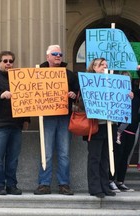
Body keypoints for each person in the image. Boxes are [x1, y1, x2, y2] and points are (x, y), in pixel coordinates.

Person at [34, 45, 79, 196]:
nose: (58, 56)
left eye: (60, 54)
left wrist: (74, 95)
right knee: (46, 152)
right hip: (47, 116)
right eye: (54, 54)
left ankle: (64, 184)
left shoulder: (69, 74)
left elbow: (78, 93)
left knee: (64, 152)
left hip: (64, 116)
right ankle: (44, 184)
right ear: (48, 57)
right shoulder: (38, 73)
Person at [0, 51, 30, 195]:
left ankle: (11, 185)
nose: (8, 63)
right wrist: (1, 95)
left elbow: (28, 98)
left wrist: (26, 119)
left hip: (16, 125)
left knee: (13, 158)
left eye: (10, 61)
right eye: (5, 61)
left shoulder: (19, 78)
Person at [83, 57, 120, 198]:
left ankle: (105, 186)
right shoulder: (88, 83)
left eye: (106, 65)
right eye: (101, 65)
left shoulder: (113, 83)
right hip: (95, 126)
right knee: (95, 157)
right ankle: (95, 187)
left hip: (110, 125)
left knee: (105, 157)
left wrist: (127, 95)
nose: (104, 67)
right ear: (94, 67)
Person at [108, 71, 139, 192]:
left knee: (125, 156)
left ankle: (120, 181)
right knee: (117, 155)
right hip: (119, 130)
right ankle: (110, 180)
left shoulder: (135, 94)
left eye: (128, 79)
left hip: (131, 130)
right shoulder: (114, 93)